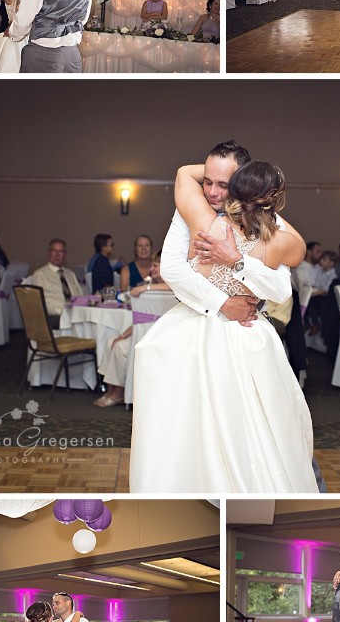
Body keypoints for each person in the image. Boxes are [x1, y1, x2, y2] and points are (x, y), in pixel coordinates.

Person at [129, 154, 321, 493]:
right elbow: (296, 256)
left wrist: (238, 259)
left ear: (236, 188)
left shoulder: (205, 222)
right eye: (210, 181)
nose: (214, 190)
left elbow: (278, 288)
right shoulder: (278, 239)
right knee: (219, 421)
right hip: (228, 330)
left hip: (231, 333)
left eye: (225, 183)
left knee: (258, 421)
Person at [94, 253, 171, 407]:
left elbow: (170, 288)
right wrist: (122, 335)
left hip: (160, 338)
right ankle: (111, 390)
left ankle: (119, 392)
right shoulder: (149, 290)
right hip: (143, 332)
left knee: (121, 348)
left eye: (156, 265)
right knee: (112, 342)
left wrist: (146, 287)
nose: (151, 268)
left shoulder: (170, 289)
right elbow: (140, 320)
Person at [32, 238, 83, 328]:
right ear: (48, 253)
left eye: (61, 251)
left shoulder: (70, 274)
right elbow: (39, 304)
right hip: (54, 317)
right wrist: (66, 311)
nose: (57, 255)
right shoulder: (40, 275)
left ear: (65, 255)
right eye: (54, 251)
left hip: (74, 314)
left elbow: (80, 296)